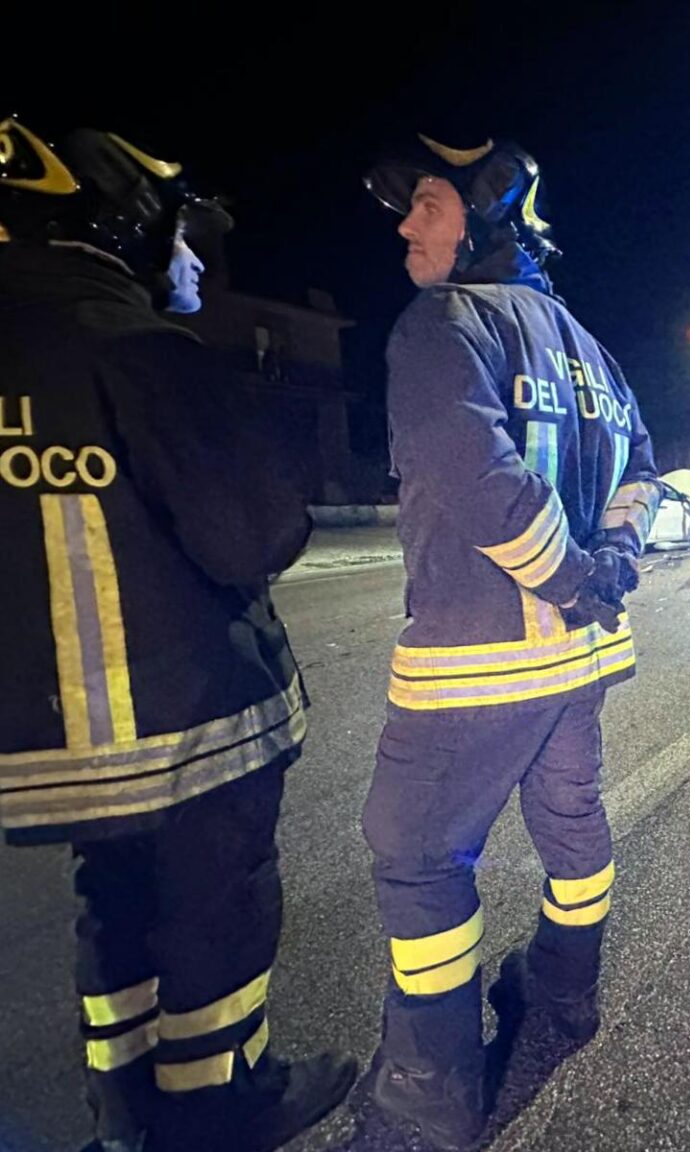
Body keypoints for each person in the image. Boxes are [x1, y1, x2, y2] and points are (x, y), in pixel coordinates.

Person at [0, 118, 356, 1152]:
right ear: (124, 223)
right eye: (182, 237)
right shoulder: (134, 342)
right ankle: (220, 1104)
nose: (192, 261)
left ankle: (124, 1115)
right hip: (184, 719)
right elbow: (256, 533)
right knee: (215, 913)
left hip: (49, 741)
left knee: (112, 910)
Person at [361, 132, 661, 1150]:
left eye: (429, 205)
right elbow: (644, 474)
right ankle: (565, 994)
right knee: (572, 827)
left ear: (486, 217)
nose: (407, 226)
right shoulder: (594, 352)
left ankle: (431, 1089)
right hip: (581, 668)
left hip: (475, 669)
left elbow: (482, 483)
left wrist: (574, 577)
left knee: (416, 857)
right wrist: (610, 564)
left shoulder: (442, 325)